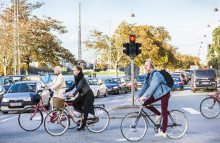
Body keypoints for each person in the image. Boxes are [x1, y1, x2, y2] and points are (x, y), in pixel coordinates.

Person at [135, 59, 171, 138]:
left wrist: (145, 96)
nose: (145, 67)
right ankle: (158, 114)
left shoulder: (156, 74)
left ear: (151, 66)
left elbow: (153, 86)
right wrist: (139, 95)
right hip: (158, 94)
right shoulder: (149, 75)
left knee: (164, 111)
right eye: (145, 65)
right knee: (146, 103)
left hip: (164, 93)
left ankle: (163, 131)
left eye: (147, 65)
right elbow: (145, 86)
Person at [65, 65, 94, 131]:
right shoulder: (76, 77)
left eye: (75, 70)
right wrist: (66, 91)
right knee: (74, 103)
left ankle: (83, 125)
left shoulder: (82, 78)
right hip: (82, 94)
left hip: (88, 94)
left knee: (86, 109)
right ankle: (83, 114)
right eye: (73, 70)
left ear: (79, 71)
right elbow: (73, 85)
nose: (73, 71)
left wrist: (73, 94)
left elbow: (79, 87)